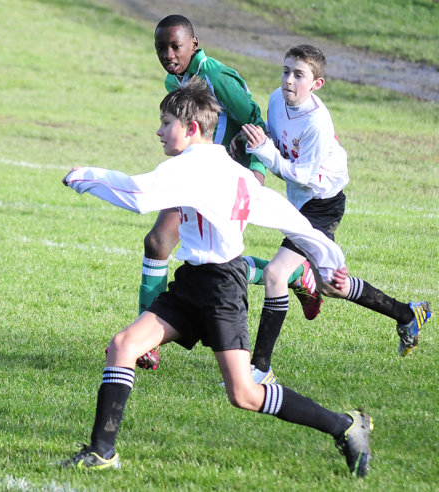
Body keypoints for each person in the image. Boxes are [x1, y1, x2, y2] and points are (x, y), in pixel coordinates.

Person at [60, 77, 372, 477]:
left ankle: (345, 426)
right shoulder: (230, 169)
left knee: (243, 394)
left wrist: (84, 176)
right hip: (193, 282)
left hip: (223, 289)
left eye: (166, 122)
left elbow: (138, 196)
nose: (158, 131)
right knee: (123, 346)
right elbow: (290, 219)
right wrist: (327, 260)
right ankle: (102, 451)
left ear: (191, 129)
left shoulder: (195, 167)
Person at [135, 15, 318, 375]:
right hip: (195, 174)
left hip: (227, 178)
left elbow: (254, 119)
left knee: (218, 261)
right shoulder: (175, 79)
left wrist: (255, 171)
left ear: (195, 43)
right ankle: (148, 343)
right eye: (162, 47)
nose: (169, 54)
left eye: (175, 46)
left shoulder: (217, 77)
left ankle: (296, 276)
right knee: (158, 242)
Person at [239, 45, 431, 380]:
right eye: (286, 71)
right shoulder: (275, 98)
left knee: (274, 275)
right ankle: (406, 314)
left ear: (317, 83)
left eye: (299, 74)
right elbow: (277, 135)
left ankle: (260, 368)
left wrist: (265, 153)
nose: (288, 80)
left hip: (321, 204)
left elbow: (301, 175)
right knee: (331, 286)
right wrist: (254, 140)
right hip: (301, 202)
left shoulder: (317, 123)